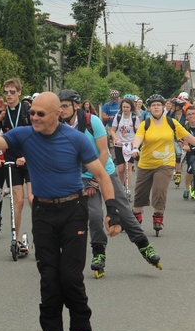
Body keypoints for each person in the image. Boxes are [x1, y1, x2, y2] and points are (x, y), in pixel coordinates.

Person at [0, 91, 119, 331]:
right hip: (43, 212)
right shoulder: (24, 135)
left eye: (40, 113)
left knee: (71, 279)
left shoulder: (76, 139)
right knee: (49, 283)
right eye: (31, 112)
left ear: (57, 113)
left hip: (73, 209)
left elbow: (101, 175)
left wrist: (112, 212)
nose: (34, 117)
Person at [59, 90, 161, 280]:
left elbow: (104, 152)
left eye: (65, 106)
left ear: (76, 106)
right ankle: (99, 253)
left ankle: (144, 246)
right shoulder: (60, 126)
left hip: (105, 171)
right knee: (95, 215)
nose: (61, 110)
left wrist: (95, 178)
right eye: (59, 106)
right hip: (83, 177)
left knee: (123, 211)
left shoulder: (92, 121)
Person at [131, 94, 195, 233]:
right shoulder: (145, 124)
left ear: (163, 107)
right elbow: (138, 137)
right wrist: (135, 147)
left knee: (160, 190)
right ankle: (136, 214)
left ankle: (158, 216)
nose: (156, 107)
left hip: (165, 163)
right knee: (140, 194)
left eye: (158, 105)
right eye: (153, 105)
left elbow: (187, 136)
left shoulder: (171, 123)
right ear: (149, 108)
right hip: (146, 164)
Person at [0, 77, 33, 253]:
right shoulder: (1, 113)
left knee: (33, 199)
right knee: (18, 202)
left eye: (12, 92)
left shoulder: (28, 111)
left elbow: (37, 135)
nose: (8, 95)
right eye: (6, 92)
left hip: (30, 159)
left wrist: (26, 155)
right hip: (11, 160)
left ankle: (39, 236)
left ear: (19, 93)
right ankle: (16, 239)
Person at [111, 97, 140, 189]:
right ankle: (121, 186)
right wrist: (116, 140)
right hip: (120, 145)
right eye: (124, 107)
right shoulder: (118, 116)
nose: (125, 109)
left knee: (128, 168)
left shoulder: (134, 117)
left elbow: (138, 132)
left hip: (130, 144)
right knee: (120, 169)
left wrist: (134, 143)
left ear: (131, 107)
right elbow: (112, 131)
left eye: (127, 107)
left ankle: (126, 188)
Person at [167, 98, 186, 188]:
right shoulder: (170, 115)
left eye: (174, 105)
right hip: (173, 138)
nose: (172, 107)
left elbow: (186, 128)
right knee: (177, 156)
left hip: (184, 138)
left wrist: (183, 139)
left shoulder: (185, 115)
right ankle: (177, 175)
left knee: (181, 157)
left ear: (179, 107)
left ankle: (178, 172)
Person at [102, 90, 120, 157]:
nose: (114, 100)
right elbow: (103, 116)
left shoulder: (121, 104)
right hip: (110, 126)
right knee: (112, 143)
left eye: (115, 98)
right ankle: (114, 158)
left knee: (120, 142)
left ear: (118, 98)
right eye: (113, 98)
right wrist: (109, 117)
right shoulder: (107, 105)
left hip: (120, 127)